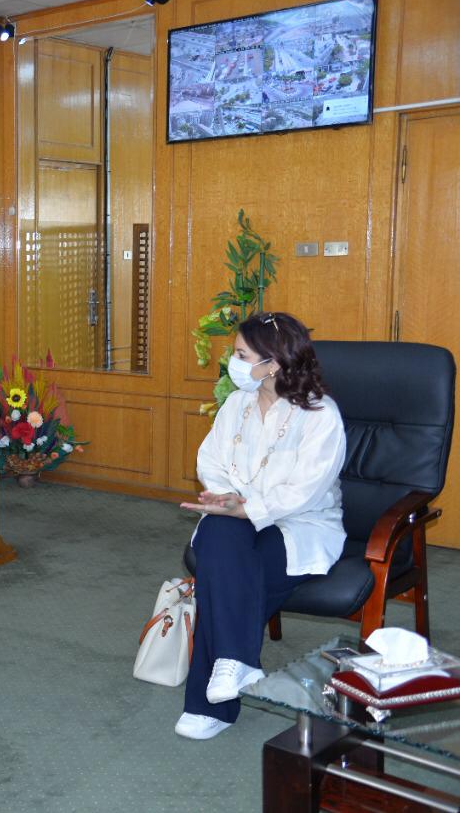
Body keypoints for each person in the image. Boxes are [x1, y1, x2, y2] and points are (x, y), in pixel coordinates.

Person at [175, 312, 346, 740]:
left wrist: (249, 508)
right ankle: (237, 664)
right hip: (235, 519)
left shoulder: (321, 414)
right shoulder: (237, 403)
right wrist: (227, 501)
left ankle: (210, 702)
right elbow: (209, 462)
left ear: (273, 363)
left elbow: (307, 489)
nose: (232, 362)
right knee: (220, 538)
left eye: (241, 355)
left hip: (299, 525)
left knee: (222, 576)